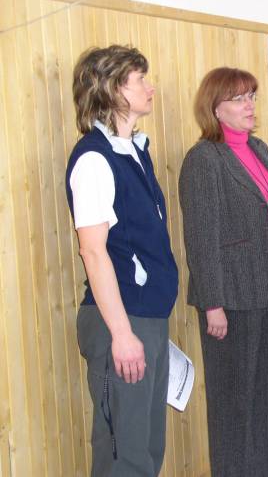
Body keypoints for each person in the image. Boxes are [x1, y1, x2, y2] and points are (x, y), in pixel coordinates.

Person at [178, 67, 268, 477]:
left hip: (265, 291)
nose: (249, 105)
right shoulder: (204, 160)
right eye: (238, 98)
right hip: (231, 299)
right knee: (234, 405)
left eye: (251, 96)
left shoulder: (259, 148)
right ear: (215, 109)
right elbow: (202, 238)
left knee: (267, 397)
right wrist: (212, 303)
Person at [65, 45, 178, 476]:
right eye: (140, 80)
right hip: (121, 319)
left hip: (146, 317)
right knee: (124, 455)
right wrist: (122, 333)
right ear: (113, 90)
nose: (151, 87)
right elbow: (94, 252)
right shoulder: (95, 158)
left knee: (147, 446)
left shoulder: (134, 150)